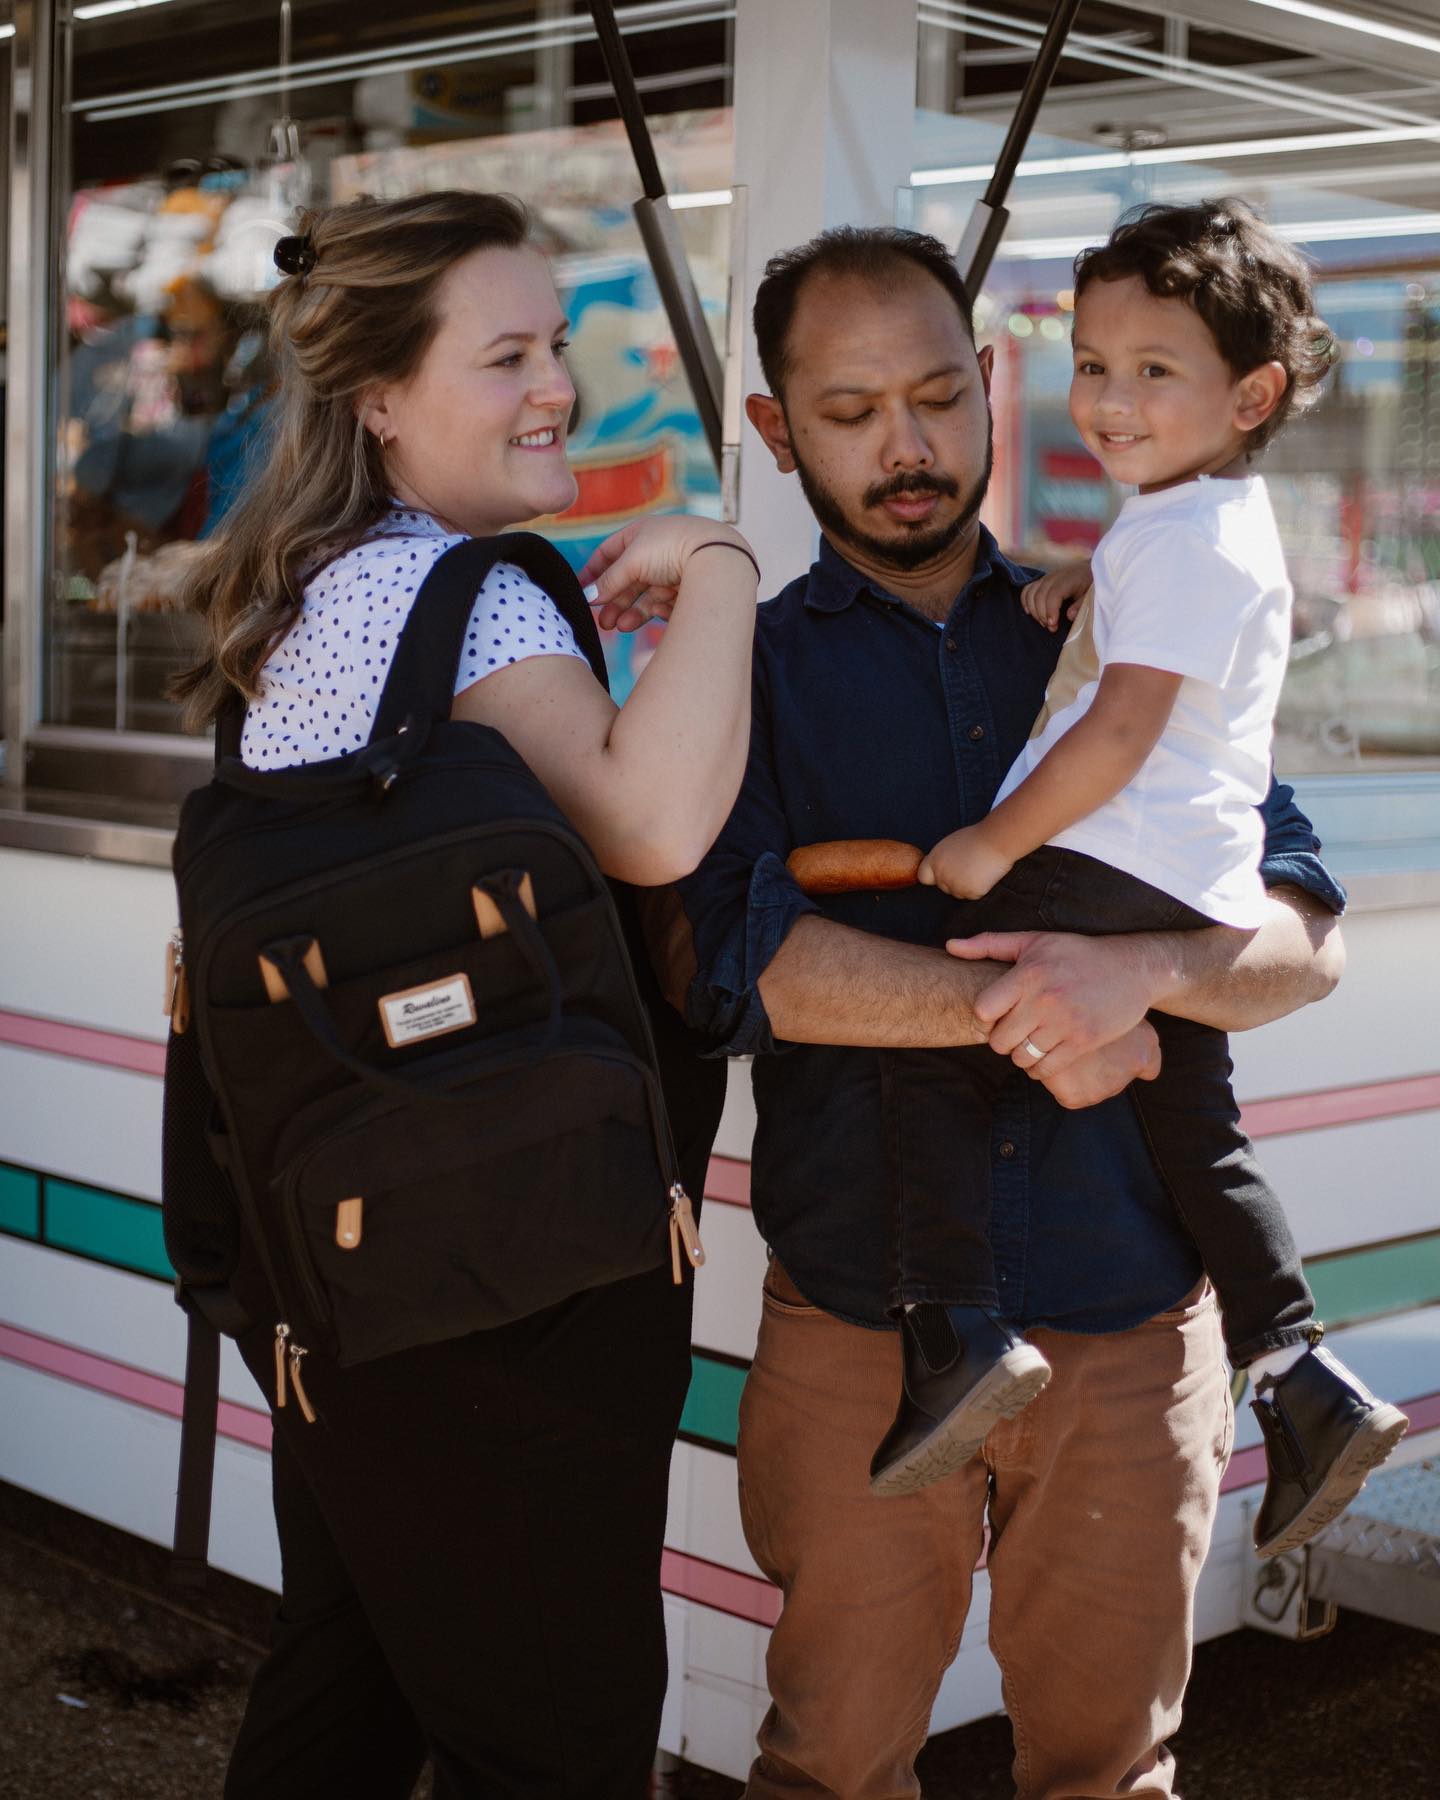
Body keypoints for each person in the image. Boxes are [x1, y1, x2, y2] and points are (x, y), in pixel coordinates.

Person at [670, 224, 1347, 1800]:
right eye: (847, 413)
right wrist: (1034, 1012)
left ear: (988, 383)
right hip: (856, 1318)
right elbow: (733, 957)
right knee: (830, 1760)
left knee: (1111, 1773)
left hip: (1128, 1307)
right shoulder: (748, 674)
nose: (906, 447)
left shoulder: (1130, 607)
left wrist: (1152, 973)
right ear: (775, 432)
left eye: (934, 394)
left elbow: (1302, 932)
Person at [173, 189, 759, 1800]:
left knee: (351, 1674)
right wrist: (720, 565)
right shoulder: (464, 594)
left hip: (347, 1262)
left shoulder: (309, 593)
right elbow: (648, 820)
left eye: (556, 343)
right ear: (379, 399)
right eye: (506, 354)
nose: (555, 384)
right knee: (550, 1738)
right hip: (510, 1274)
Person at [867, 200, 1406, 1546]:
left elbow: (1120, 729)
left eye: (1152, 372)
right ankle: (1297, 1368)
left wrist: (993, 845)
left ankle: (956, 1329)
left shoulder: (1176, 536)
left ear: (1254, 393)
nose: (1108, 401)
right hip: (1193, 884)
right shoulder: (1199, 522)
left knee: (930, 1044)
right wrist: (1086, 588)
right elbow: (1162, 643)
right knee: (1195, 1133)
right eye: (1091, 366)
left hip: (1102, 865)